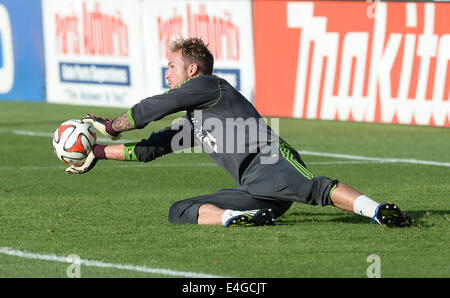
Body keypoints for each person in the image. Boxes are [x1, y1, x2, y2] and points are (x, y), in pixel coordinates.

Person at [66, 37, 412, 228]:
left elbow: (157, 106)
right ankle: (237, 218)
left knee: (315, 189)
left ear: (192, 68)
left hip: (270, 161)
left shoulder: (210, 86)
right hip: (252, 187)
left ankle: (378, 210)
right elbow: (149, 148)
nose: (167, 73)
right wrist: (94, 153)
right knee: (180, 210)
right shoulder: (195, 120)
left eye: (171, 66)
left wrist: (112, 126)